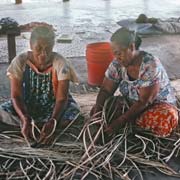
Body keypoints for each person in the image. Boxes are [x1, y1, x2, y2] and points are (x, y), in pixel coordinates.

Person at [90, 27, 178, 137]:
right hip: (131, 105)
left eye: (119, 53)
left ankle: (133, 129)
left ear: (131, 47)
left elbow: (145, 101)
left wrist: (120, 121)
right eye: (114, 54)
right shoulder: (117, 64)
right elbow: (106, 90)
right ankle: (132, 127)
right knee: (98, 109)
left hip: (155, 106)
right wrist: (98, 112)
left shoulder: (150, 65)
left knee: (166, 117)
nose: (117, 58)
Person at [0, 26, 80, 146]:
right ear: (31, 46)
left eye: (48, 48)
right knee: (2, 111)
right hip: (27, 104)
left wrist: (53, 120)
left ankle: (39, 128)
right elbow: (16, 96)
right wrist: (24, 117)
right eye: (38, 48)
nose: (43, 53)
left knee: (74, 112)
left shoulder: (60, 63)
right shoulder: (20, 61)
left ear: (53, 46)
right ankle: (32, 126)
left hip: (53, 106)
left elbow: (61, 99)